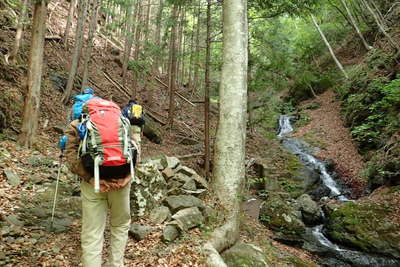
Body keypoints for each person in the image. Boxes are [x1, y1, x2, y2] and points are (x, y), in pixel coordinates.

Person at [64, 98, 141, 267]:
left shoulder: (79, 123)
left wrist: (90, 178)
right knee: (120, 226)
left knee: (93, 233)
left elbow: (70, 157)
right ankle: (116, 264)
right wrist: (128, 177)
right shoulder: (123, 122)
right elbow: (134, 150)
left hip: (94, 185)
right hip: (121, 182)